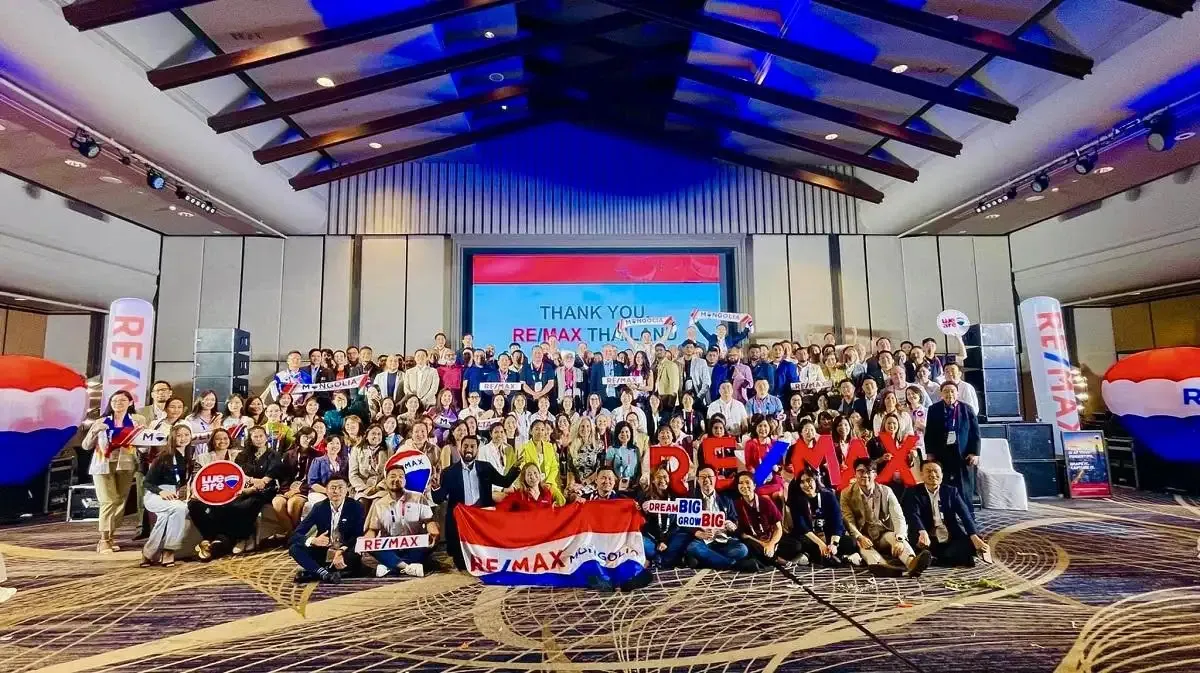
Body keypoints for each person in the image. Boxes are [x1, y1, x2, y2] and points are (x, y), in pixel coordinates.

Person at [431, 435, 520, 570]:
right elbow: (439, 499)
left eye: (472, 446)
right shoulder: (449, 472)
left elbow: (504, 482)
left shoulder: (485, 467)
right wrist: (436, 486)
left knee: (485, 561)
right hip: (460, 523)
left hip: (482, 520)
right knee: (463, 565)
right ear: (460, 448)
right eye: (466, 446)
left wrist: (515, 468)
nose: (469, 449)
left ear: (477, 449)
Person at [840, 458, 931, 578]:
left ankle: (912, 564)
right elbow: (848, 520)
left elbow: (898, 516)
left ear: (875, 474)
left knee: (895, 538)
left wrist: (900, 538)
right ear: (855, 474)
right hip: (863, 536)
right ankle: (883, 567)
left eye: (869, 471)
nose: (865, 475)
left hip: (884, 533)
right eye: (861, 471)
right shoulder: (846, 493)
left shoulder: (886, 491)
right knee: (866, 549)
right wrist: (859, 537)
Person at [83, 390, 147, 553]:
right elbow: (86, 445)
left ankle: (111, 536)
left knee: (119, 502)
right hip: (103, 464)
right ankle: (103, 540)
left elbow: (144, 445)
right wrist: (95, 431)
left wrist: (141, 436)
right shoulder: (102, 420)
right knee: (108, 501)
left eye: (123, 400)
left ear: (130, 402)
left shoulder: (138, 420)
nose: (118, 403)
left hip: (126, 464)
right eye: (115, 400)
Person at [904, 461, 993, 567]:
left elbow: (965, 515)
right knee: (917, 549)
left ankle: (936, 559)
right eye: (928, 471)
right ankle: (935, 557)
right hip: (925, 536)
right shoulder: (912, 492)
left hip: (948, 535)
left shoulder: (951, 492)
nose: (933, 475)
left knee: (969, 545)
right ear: (921, 475)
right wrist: (921, 532)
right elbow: (913, 515)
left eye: (936, 471)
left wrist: (974, 536)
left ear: (942, 474)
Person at [364, 464, 438, 578]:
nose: (397, 479)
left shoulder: (418, 498)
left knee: (428, 543)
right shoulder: (379, 504)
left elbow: (429, 521)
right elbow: (373, 529)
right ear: (385, 480)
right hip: (391, 548)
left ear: (405, 480)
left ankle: (391, 567)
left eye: (401, 476)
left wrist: (433, 532)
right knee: (373, 547)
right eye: (393, 476)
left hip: (415, 546)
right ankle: (408, 568)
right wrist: (367, 541)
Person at [289, 475, 364, 583]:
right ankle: (326, 574)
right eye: (332, 488)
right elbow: (295, 535)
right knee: (295, 548)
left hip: (347, 549)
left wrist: (341, 551)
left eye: (340, 487)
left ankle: (316, 572)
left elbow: (358, 535)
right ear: (326, 491)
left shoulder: (356, 506)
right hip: (324, 550)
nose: (336, 491)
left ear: (346, 490)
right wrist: (313, 540)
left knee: (355, 554)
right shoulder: (319, 507)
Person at [923, 382, 981, 513]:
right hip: (942, 454)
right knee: (945, 488)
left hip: (963, 454)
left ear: (957, 393)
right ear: (941, 393)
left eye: (952, 391)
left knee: (965, 489)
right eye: (946, 391)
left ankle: (969, 519)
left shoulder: (967, 409)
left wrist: (975, 453)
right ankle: (949, 519)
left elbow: (975, 432)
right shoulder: (933, 409)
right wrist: (930, 453)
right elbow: (929, 433)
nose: (949, 394)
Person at [140, 423, 192, 567]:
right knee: (180, 509)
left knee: (165, 517)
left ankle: (148, 553)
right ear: (172, 437)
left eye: (186, 435)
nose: (183, 438)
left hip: (174, 497)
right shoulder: (163, 457)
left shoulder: (188, 457)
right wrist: (161, 492)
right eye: (179, 435)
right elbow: (147, 482)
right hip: (156, 495)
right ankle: (169, 550)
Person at [784, 468, 858, 567]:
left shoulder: (829, 496)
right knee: (796, 546)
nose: (806, 485)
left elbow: (837, 522)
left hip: (828, 535)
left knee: (851, 543)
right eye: (802, 482)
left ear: (816, 480)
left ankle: (815, 556)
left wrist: (834, 544)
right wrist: (821, 544)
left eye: (809, 480)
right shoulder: (797, 500)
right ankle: (832, 556)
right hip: (810, 537)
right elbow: (802, 527)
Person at [684, 468, 753, 571]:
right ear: (698, 480)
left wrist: (732, 525)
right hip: (704, 541)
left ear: (715, 478)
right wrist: (698, 533)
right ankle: (733, 565)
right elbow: (685, 522)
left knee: (742, 549)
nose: (707, 480)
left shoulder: (725, 498)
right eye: (703, 477)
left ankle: (706, 560)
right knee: (693, 547)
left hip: (723, 540)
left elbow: (734, 519)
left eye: (709, 477)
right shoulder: (692, 499)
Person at [638, 467, 689, 568]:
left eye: (665, 477)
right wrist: (642, 510)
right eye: (658, 477)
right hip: (653, 541)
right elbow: (644, 525)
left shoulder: (675, 496)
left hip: (671, 539)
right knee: (638, 539)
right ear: (653, 480)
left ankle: (658, 560)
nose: (662, 480)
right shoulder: (645, 497)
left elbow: (678, 524)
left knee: (685, 535)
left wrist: (665, 541)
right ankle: (666, 560)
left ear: (669, 478)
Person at [733, 471, 783, 570]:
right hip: (752, 540)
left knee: (795, 545)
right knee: (749, 546)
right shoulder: (735, 505)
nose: (744, 486)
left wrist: (771, 544)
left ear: (754, 485)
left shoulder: (766, 502)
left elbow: (778, 528)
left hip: (769, 537)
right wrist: (763, 544)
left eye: (747, 482)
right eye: (741, 483)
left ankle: (768, 559)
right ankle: (776, 559)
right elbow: (743, 534)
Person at [509, 419, 565, 504]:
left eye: (542, 429)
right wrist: (537, 483)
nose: (540, 432)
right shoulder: (524, 448)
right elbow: (524, 469)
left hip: (548, 483)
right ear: (531, 431)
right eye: (537, 429)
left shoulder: (549, 446)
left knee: (561, 501)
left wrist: (548, 482)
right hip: (532, 484)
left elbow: (554, 467)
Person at [605, 421, 641, 494]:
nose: (624, 434)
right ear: (617, 434)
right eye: (621, 432)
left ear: (630, 433)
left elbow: (639, 469)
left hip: (634, 486)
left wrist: (636, 483)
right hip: (617, 486)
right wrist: (618, 482)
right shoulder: (612, 449)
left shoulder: (636, 449)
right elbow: (608, 469)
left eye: (627, 432)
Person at [588, 344, 627, 410]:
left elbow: (624, 383)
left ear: (613, 352)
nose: (608, 353)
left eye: (610, 351)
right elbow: (593, 385)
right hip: (601, 399)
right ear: (602, 352)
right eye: (606, 351)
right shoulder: (596, 366)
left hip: (617, 398)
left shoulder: (620, 365)